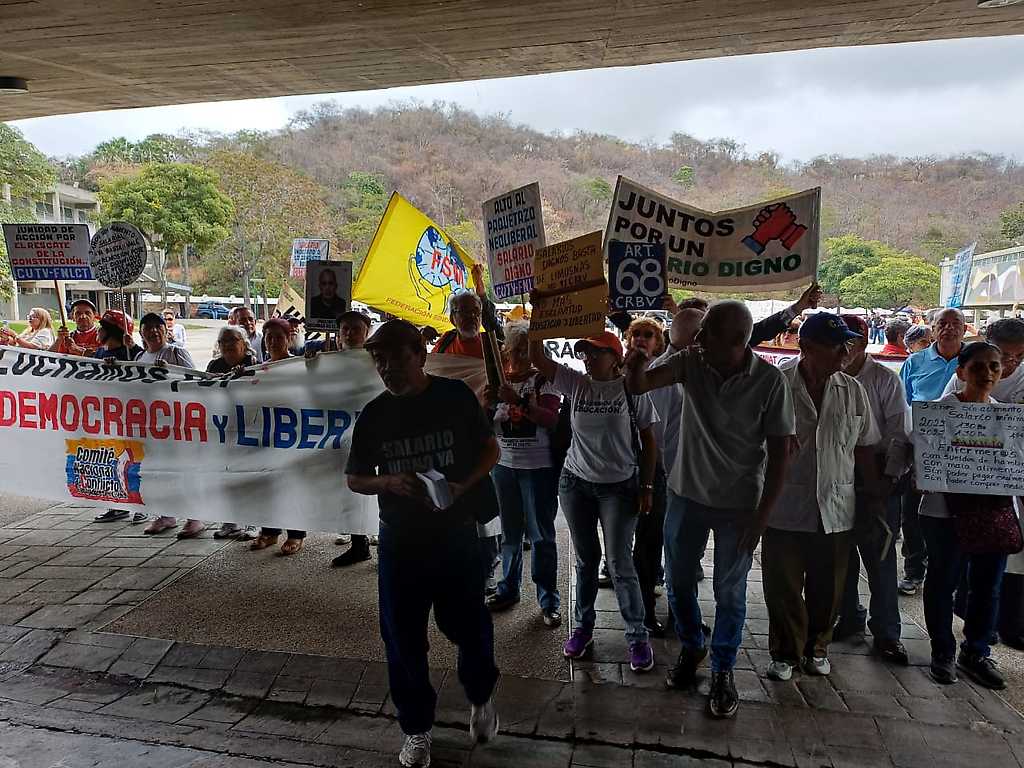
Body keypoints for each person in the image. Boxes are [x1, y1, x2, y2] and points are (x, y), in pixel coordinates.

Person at [625, 301, 794, 719]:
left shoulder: (770, 382)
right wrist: (636, 362)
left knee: (729, 592)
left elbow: (781, 456)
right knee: (679, 583)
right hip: (686, 495)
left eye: (707, 332)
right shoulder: (691, 363)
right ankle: (692, 646)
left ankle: (722, 667)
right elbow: (640, 386)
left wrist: (762, 518)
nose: (697, 338)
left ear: (735, 341)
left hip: (740, 505)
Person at [346, 319, 500, 768]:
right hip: (400, 542)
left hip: (456, 536)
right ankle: (416, 729)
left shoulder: (454, 397)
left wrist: (462, 485)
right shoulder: (374, 414)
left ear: (421, 355)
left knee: (468, 625)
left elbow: (491, 450)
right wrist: (389, 482)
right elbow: (355, 478)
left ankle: (481, 695)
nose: (386, 368)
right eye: (379, 360)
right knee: (402, 637)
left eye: (395, 357)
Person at [762, 314, 882, 681]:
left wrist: (874, 493)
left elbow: (864, 446)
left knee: (829, 586)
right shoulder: (777, 383)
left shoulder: (853, 390)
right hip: (784, 505)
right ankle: (785, 651)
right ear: (806, 347)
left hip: (835, 503)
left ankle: (817, 647)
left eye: (846, 344)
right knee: (782, 586)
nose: (843, 352)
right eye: (834, 345)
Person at [530, 329, 658, 673]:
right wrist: (540, 323)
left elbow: (649, 440)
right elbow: (537, 358)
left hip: (620, 487)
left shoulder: (631, 389)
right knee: (586, 561)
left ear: (616, 357)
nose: (587, 359)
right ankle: (583, 628)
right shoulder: (576, 384)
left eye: (596, 353)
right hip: (576, 483)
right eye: (585, 353)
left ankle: (637, 637)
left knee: (619, 563)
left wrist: (647, 486)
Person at [919, 342, 1009, 689]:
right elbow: (922, 458)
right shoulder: (938, 413)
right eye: (978, 367)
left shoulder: (1007, 419)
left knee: (988, 585)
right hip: (944, 514)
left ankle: (976, 651)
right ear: (961, 372)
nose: (987, 373)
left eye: (994, 366)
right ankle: (942, 651)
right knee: (943, 581)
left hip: (992, 512)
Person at [941, 319, 1024, 647]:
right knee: (947, 576)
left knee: (993, 577)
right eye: (1004, 355)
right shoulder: (952, 394)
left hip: (999, 498)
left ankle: (980, 644)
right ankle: (943, 648)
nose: (1005, 365)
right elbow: (936, 436)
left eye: (1017, 358)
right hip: (950, 500)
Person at [834, 315, 911, 665]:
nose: (846, 349)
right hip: (837, 472)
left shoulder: (883, 379)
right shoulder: (828, 376)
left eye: (852, 342)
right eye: (841, 342)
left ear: (865, 342)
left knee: (880, 557)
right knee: (841, 553)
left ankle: (887, 632)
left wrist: (888, 479)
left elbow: (899, 432)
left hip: (878, 473)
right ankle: (848, 616)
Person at [484, 322, 561, 627]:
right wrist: (487, 402)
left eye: (526, 350)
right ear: (505, 351)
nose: (519, 356)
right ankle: (508, 588)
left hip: (538, 468)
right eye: (515, 350)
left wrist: (515, 400)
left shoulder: (543, 380)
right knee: (510, 533)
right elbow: (485, 424)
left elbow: (551, 419)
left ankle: (548, 599)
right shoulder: (498, 380)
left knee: (541, 536)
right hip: (504, 467)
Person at [432, 288, 503, 591]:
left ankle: (488, 566)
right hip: (451, 435)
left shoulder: (494, 346)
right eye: (464, 311)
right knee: (455, 500)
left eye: (476, 311)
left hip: (484, 432)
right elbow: (433, 375)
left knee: (484, 501)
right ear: (453, 317)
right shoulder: (445, 343)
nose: (471, 317)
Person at [897, 309, 966, 596]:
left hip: (964, 452)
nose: (949, 329)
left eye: (955, 324)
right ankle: (914, 569)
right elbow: (903, 405)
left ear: (965, 329)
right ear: (933, 329)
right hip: (922, 447)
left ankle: (953, 575)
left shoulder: (974, 360)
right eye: (942, 324)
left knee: (958, 514)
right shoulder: (915, 362)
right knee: (912, 512)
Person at [250, 318, 306, 555]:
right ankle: (270, 531)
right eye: (269, 337)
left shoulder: (299, 365)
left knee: (291, 484)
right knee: (267, 484)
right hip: (266, 435)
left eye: (279, 337)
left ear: (289, 339)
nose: (273, 341)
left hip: (293, 435)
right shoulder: (258, 368)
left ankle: (296, 534)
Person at [327, 310, 378, 568]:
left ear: (366, 332)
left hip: (374, 431)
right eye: (345, 328)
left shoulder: (377, 359)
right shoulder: (329, 361)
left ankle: (381, 540)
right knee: (351, 487)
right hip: (343, 433)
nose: (349, 333)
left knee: (376, 487)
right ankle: (359, 544)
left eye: (356, 328)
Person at [90, 310, 145, 525]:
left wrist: (132, 348)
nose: (98, 331)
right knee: (111, 461)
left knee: (133, 462)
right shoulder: (99, 353)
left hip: (129, 418)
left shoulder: (131, 353)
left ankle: (141, 506)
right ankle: (117, 505)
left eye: (102, 328)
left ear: (112, 331)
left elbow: (144, 367)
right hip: (106, 416)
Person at [208, 326, 260, 541]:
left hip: (249, 427)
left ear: (244, 343)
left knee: (249, 477)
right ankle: (230, 522)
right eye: (223, 341)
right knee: (226, 475)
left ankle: (253, 521)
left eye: (233, 340)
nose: (228, 345)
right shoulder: (214, 365)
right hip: (223, 427)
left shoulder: (254, 364)